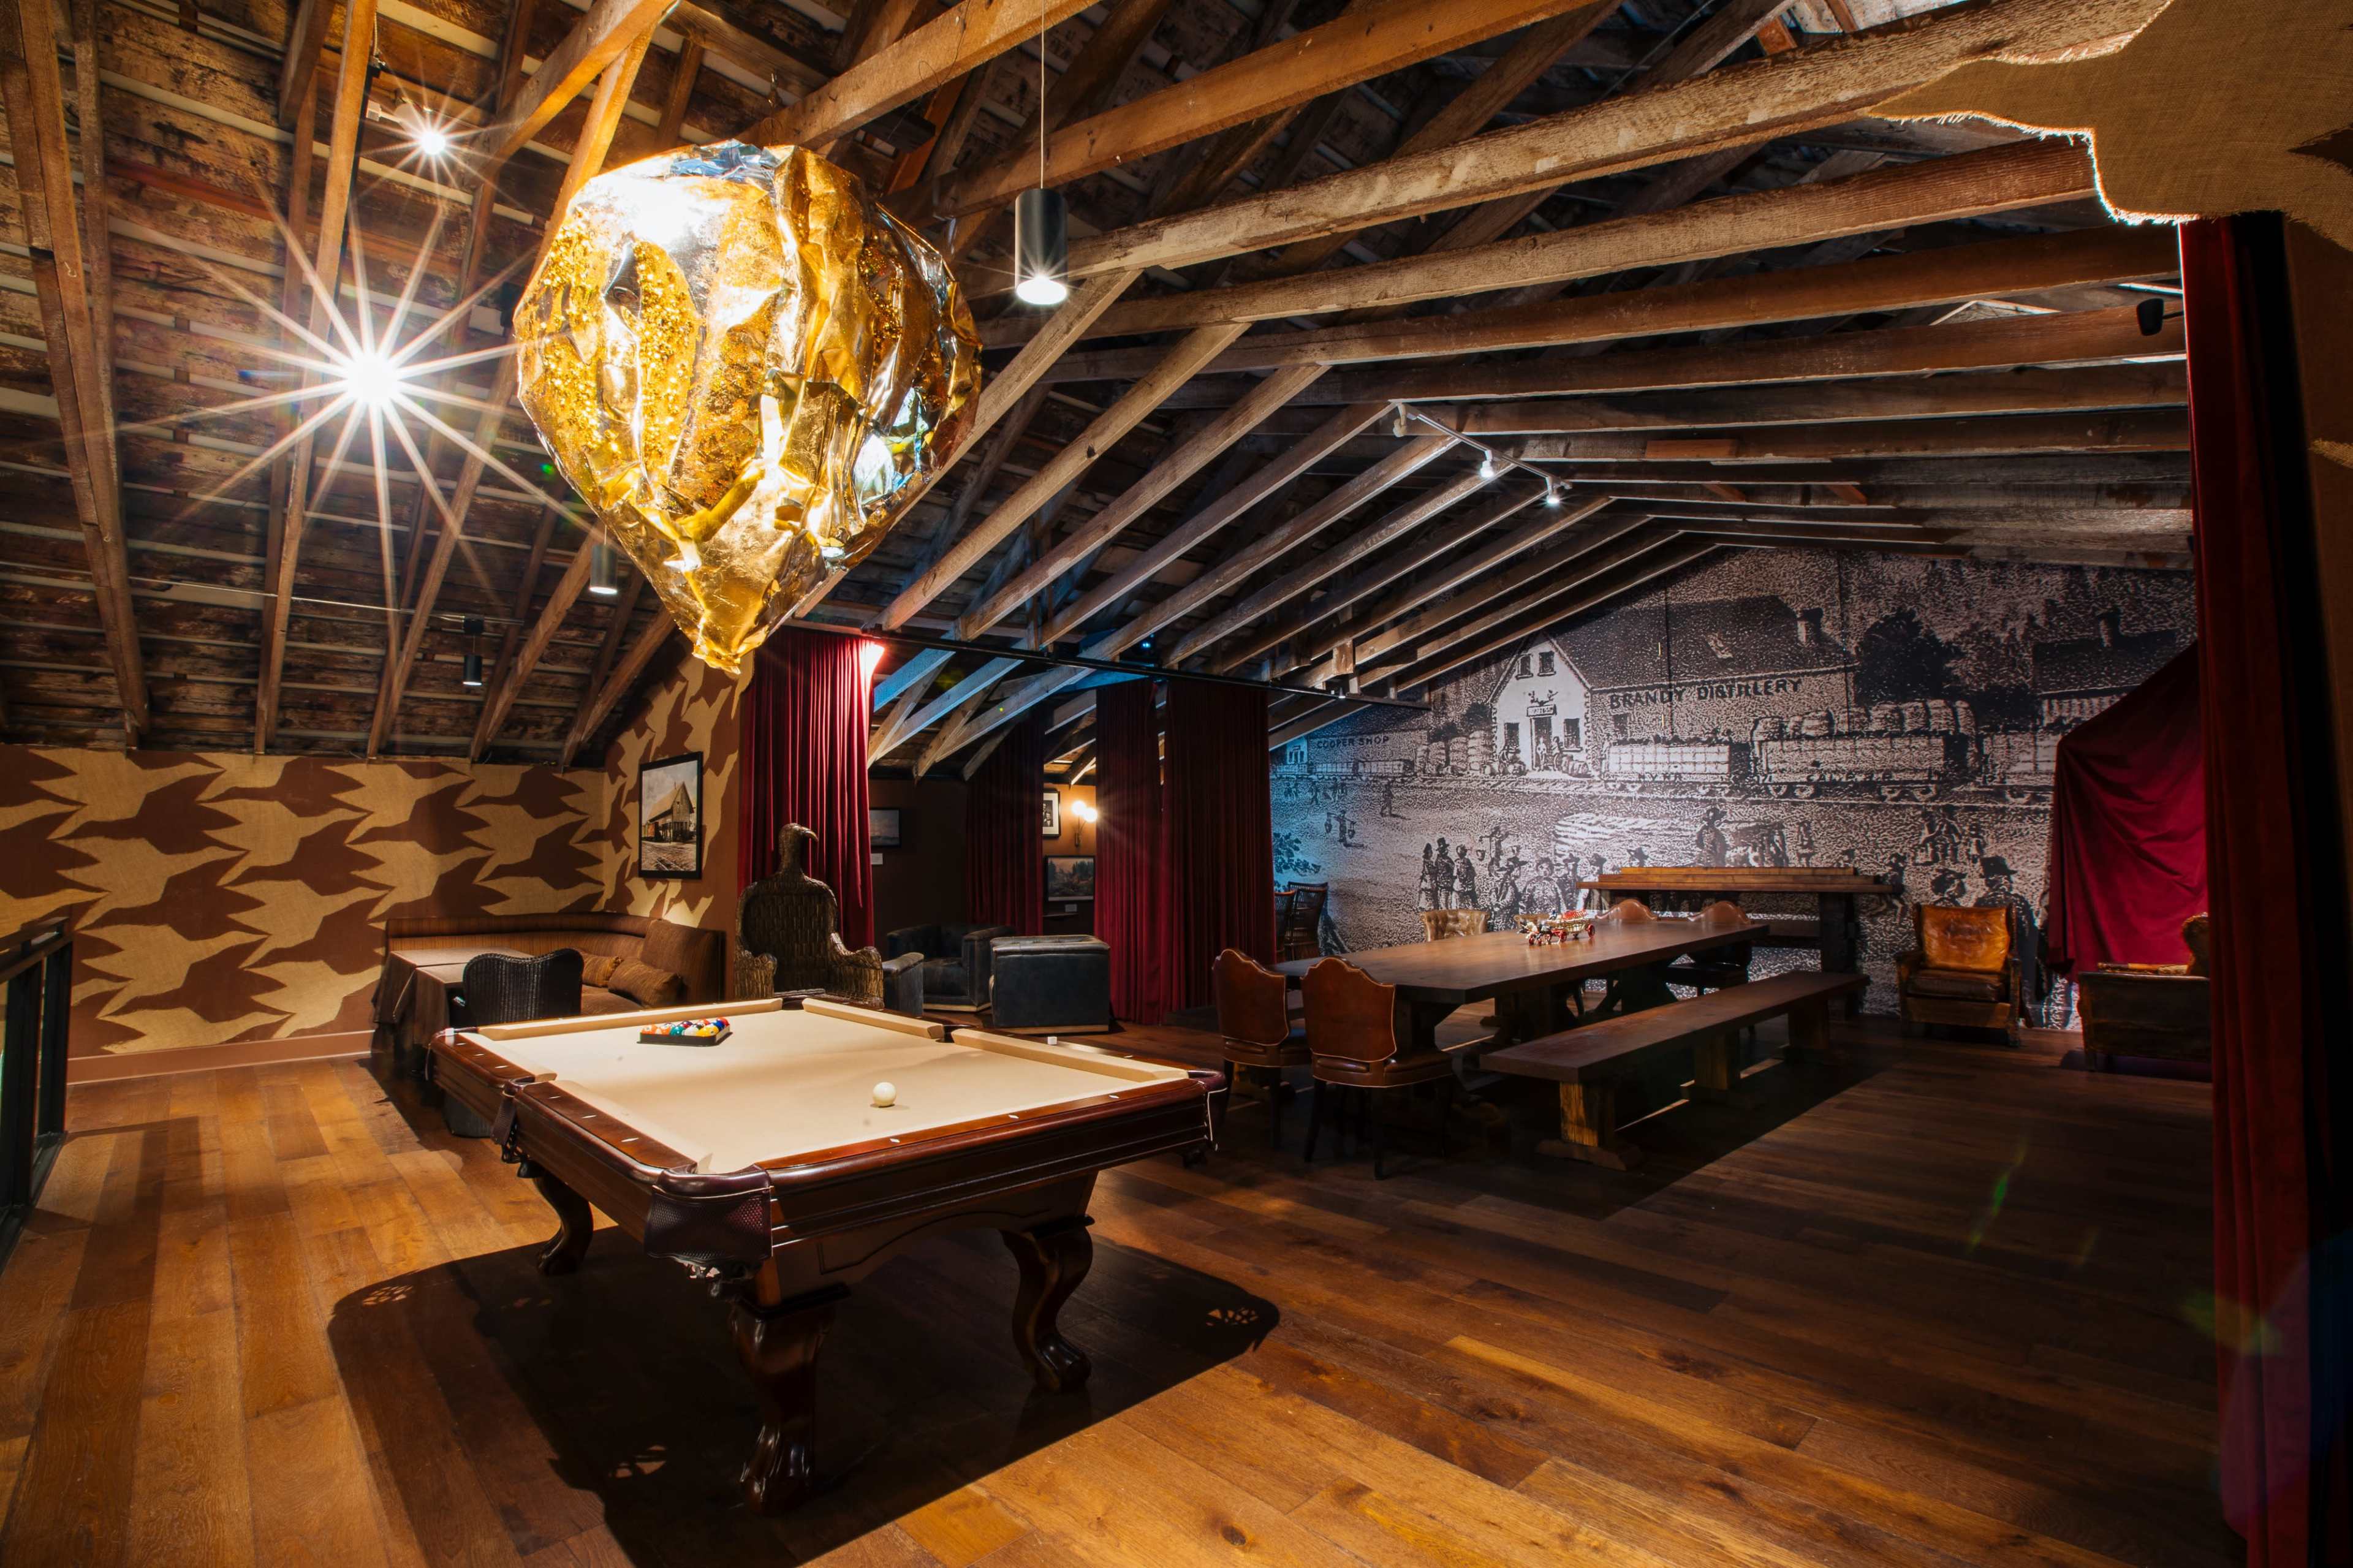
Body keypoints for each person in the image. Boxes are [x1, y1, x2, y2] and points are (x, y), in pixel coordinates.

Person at [1975, 855, 2044, 1025]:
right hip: (2016, 958)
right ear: (2000, 878)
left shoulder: (1980, 903)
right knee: (2027, 994)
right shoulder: (2017, 902)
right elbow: (2028, 933)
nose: (2009, 880)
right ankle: (2033, 1025)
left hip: (1988, 959)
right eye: (2005, 877)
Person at [1453, 845, 1478, 911]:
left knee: (1469, 904)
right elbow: (1455, 875)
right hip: (1463, 887)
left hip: (1466, 887)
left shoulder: (1465, 863)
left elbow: (1472, 874)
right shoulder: (1458, 862)